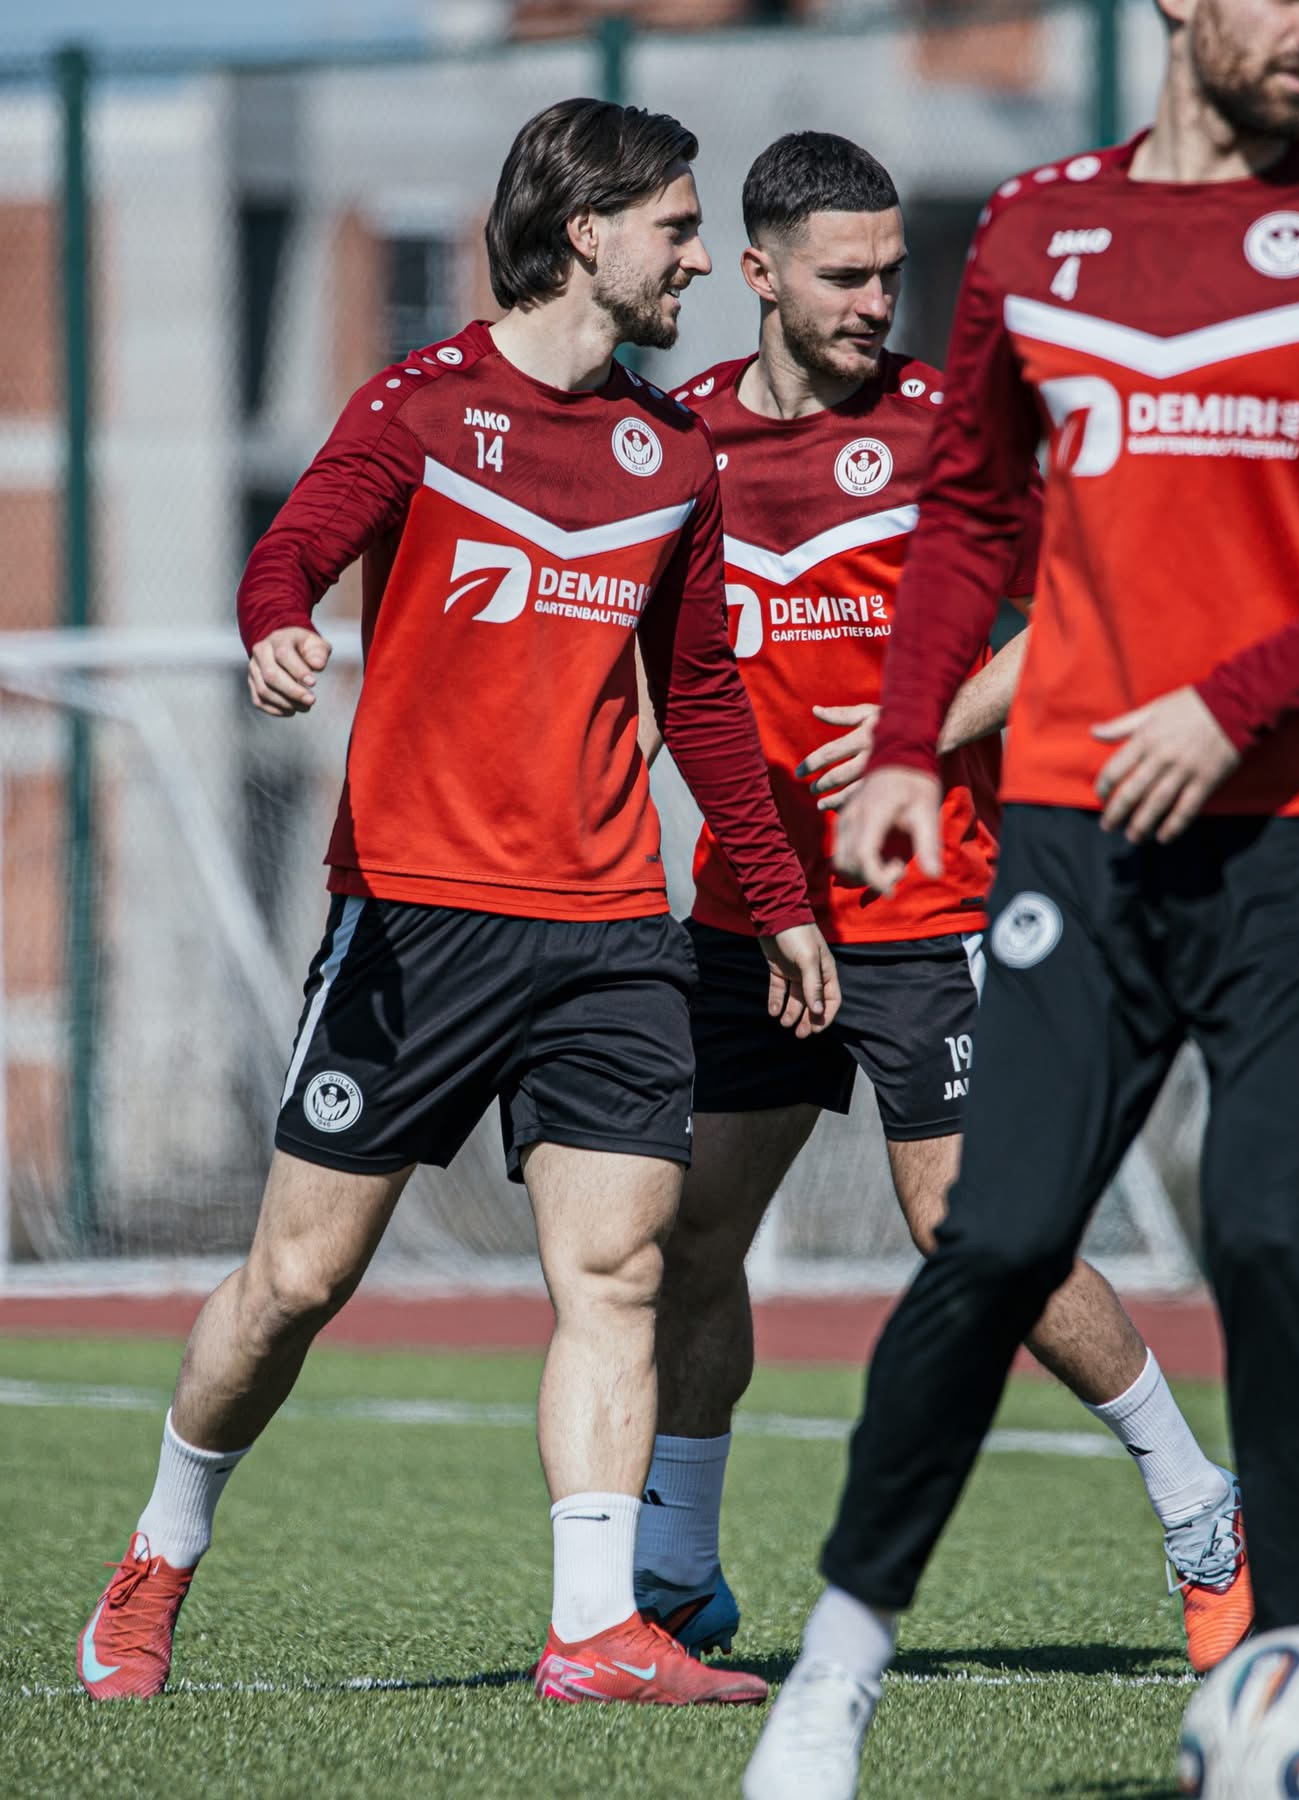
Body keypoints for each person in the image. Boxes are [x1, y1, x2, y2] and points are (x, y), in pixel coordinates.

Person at [745, 0, 1299, 1789]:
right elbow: (971, 518)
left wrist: (1227, 706)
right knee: (991, 1237)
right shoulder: (1039, 229)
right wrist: (907, 744)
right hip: (1073, 830)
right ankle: (835, 1671)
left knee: (1271, 1229)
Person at [74, 97, 840, 1712]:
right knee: (295, 1285)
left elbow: (703, 695)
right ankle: (158, 1554)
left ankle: (594, 1629)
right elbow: (290, 551)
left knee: (617, 1272)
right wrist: (277, 627)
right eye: (678, 229)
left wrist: (776, 900)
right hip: (415, 924)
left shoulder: (674, 453)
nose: (702, 261)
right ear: (586, 230)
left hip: (611, 930)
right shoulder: (418, 406)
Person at [632, 132, 1248, 1676]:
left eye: (892, 272)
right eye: (844, 275)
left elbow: (1084, 611)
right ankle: (679, 1574)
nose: (876, 299)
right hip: (749, 915)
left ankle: (1201, 1511)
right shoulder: (681, 438)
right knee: (691, 1238)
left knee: (976, 1234)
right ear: (756, 274)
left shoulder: (943, 430)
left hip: (932, 908)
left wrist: (928, 727)